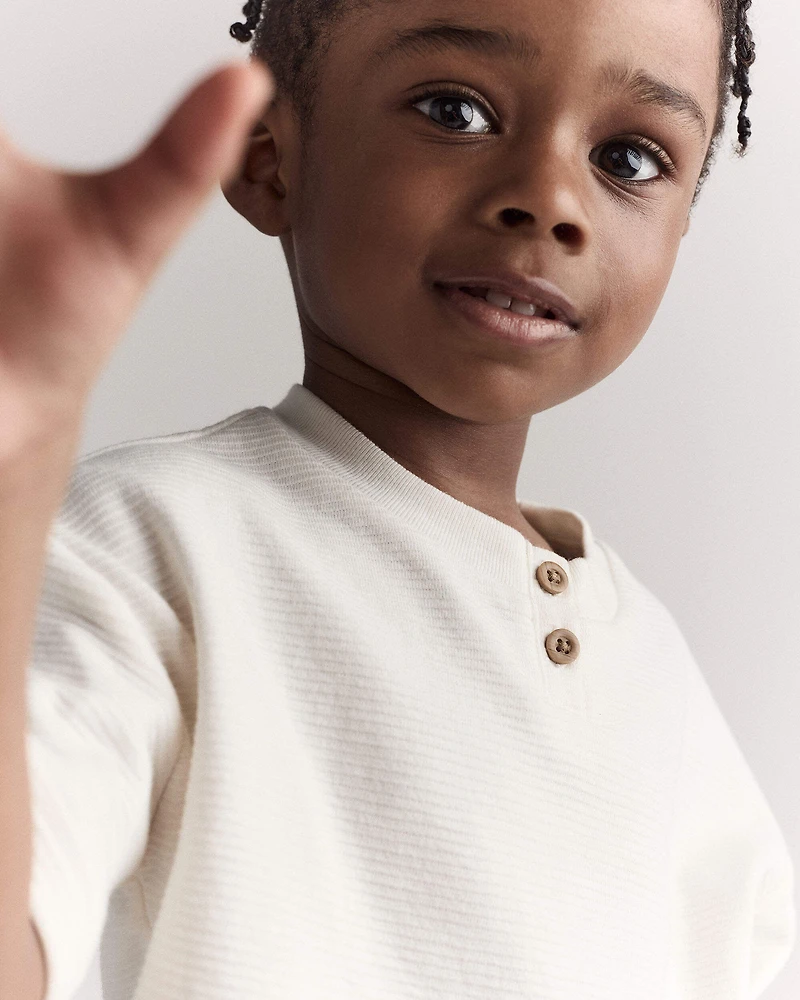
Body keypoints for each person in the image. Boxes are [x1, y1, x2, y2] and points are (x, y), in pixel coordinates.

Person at [0, 0, 795, 998]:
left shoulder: (657, 670)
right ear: (268, 157)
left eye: (629, 158)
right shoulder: (145, 547)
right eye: (455, 109)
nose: (549, 198)